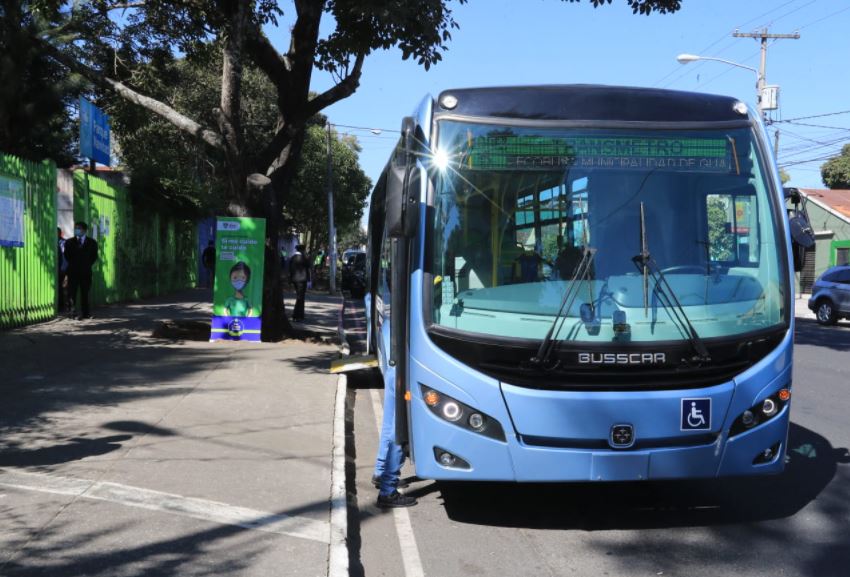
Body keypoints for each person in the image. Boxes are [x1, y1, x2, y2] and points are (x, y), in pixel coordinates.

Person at [373, 365, 417, 508]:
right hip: (408, 373)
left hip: (396, 370)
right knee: (400, 430)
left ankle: (380, 473)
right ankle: (387, 491)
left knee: (390, 425)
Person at [64, 221, 98, 320]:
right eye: (76, 228)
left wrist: (85, 264)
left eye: (79, 228)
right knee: (72, 293)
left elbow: (94, 256)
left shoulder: (92, 242)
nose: (77, 230)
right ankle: (72, 314)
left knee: (85, 293)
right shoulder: (69, 242)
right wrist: (76, 264)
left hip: (85, 272)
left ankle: (86, 313)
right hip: (73, 271)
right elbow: (67, 255)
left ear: (84, 230)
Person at [288, 244, 311, 322]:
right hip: (301, 280)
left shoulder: (292, 258)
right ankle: (297, 315)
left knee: (299, 297)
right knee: (300, 297)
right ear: (302, 250)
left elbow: (289, 269)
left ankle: (299, 315)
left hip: (294, 280)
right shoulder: (303, 258)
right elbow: (309, 265)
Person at [57, 228, 69, 313]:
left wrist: (63, 268)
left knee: (60, 287)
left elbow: (65, 257)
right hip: (54, 268)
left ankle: (60, 305)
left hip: (61, 268)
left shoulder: (64, 243)